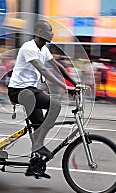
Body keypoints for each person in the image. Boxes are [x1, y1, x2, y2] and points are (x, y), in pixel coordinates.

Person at [7, 20, 77, 177]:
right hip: (19, 91)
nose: (52, 33)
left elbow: (57, 67)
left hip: (31, 91)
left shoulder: (43, 49)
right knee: (56, 105)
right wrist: (65, 87)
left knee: (37, 127)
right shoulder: (29, 48)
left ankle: (34, 164)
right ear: (39, 31)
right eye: (49, 30)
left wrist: (76, 83)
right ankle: (38, 145)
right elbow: (43, 69)